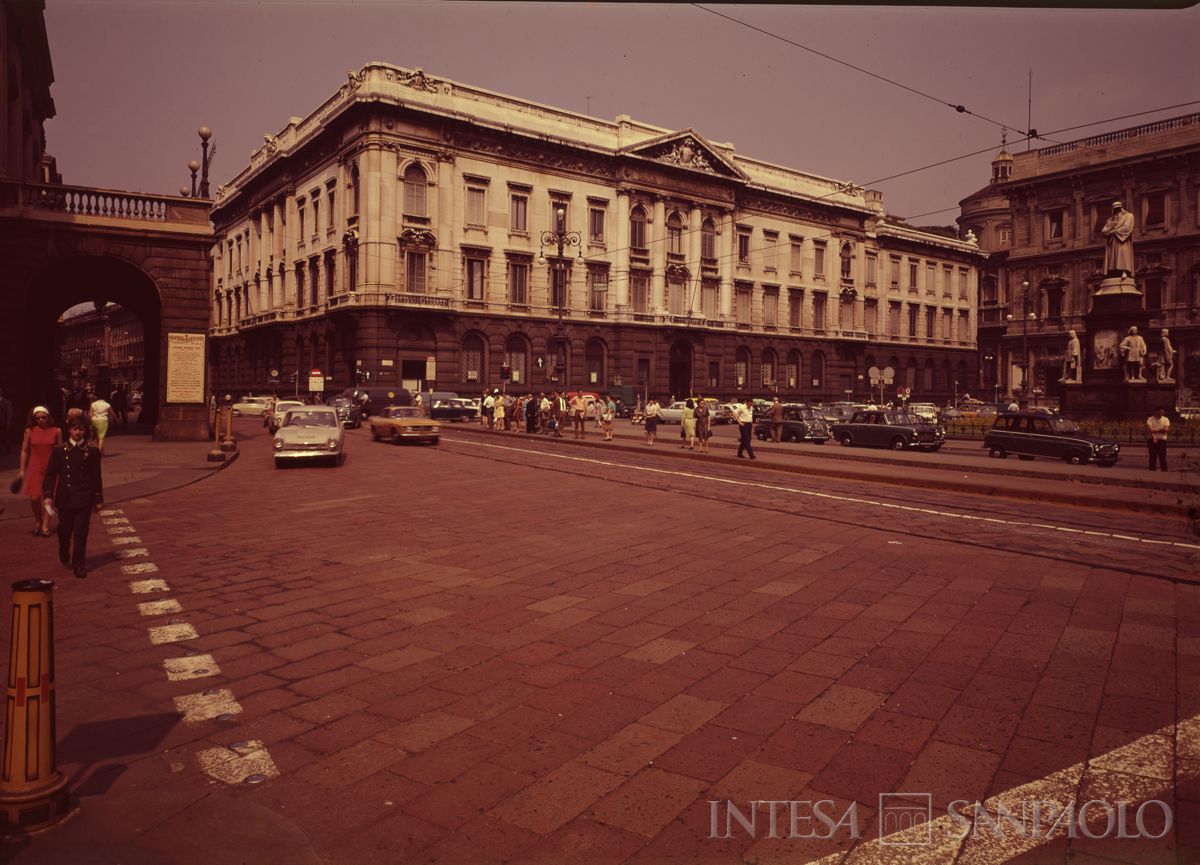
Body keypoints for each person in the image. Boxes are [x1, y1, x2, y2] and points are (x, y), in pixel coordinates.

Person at [43, 416, 104, 578]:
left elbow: (96, 476)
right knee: (64, 530)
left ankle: (79, 563)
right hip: (65, 497)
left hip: (84, 496)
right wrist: (48, 494)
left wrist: (98, 499)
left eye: (81, 429)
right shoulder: (59, 451)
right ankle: (63, 549)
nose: (78, 432)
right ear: (69, 430)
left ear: (85, 431)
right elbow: (50, 475)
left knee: (81, 531)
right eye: (75, 429)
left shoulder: (92, 451)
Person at [18, 407, 61, 537]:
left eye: (44, 417)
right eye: (38, 418)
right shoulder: (29, 431)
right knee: (35, 497)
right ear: (34, 419)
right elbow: (24, 451)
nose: (41, 420)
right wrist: (21, 470)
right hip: (35, 467)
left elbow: (60, 451)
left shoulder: (57, 431)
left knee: (49, 498)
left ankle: (45, 525)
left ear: (48, 417)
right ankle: (38, 521)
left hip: (51, 468)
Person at [1102, 201, 1135, 277]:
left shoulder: (1129, 216)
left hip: (1122, 239)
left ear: (1121, 208)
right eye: (1115, 209)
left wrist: (1114, 231)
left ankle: (1124, 271)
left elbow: (1127, 228)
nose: (1116, 211)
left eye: (1118, 209)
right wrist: (1110, 228)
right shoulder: (1110, 220)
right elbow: (1104, 230)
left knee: (1123, 255)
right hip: (1112, 241)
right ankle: (1113, 273)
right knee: (1112, 258)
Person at [1146, 407, 1169, 472]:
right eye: (1161, 411)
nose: (1162, 412)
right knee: (1152, 457)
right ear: (1156, 411)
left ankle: (1164, 471)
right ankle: (1152, 471)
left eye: (1163, 411)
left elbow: (1166, 430)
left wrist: (1155, 430)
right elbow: (1150, 430)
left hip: (1162, 440)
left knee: (1162, 457)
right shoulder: (1150, 419)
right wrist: (1160, 430)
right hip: (1152, 440)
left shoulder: (1165, 419)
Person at [0, 387, 13, 453]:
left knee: (4, 436)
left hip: (2, 423)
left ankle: (8, 449)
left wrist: (8, 423)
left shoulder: (6, 402)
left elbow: (9, 413)